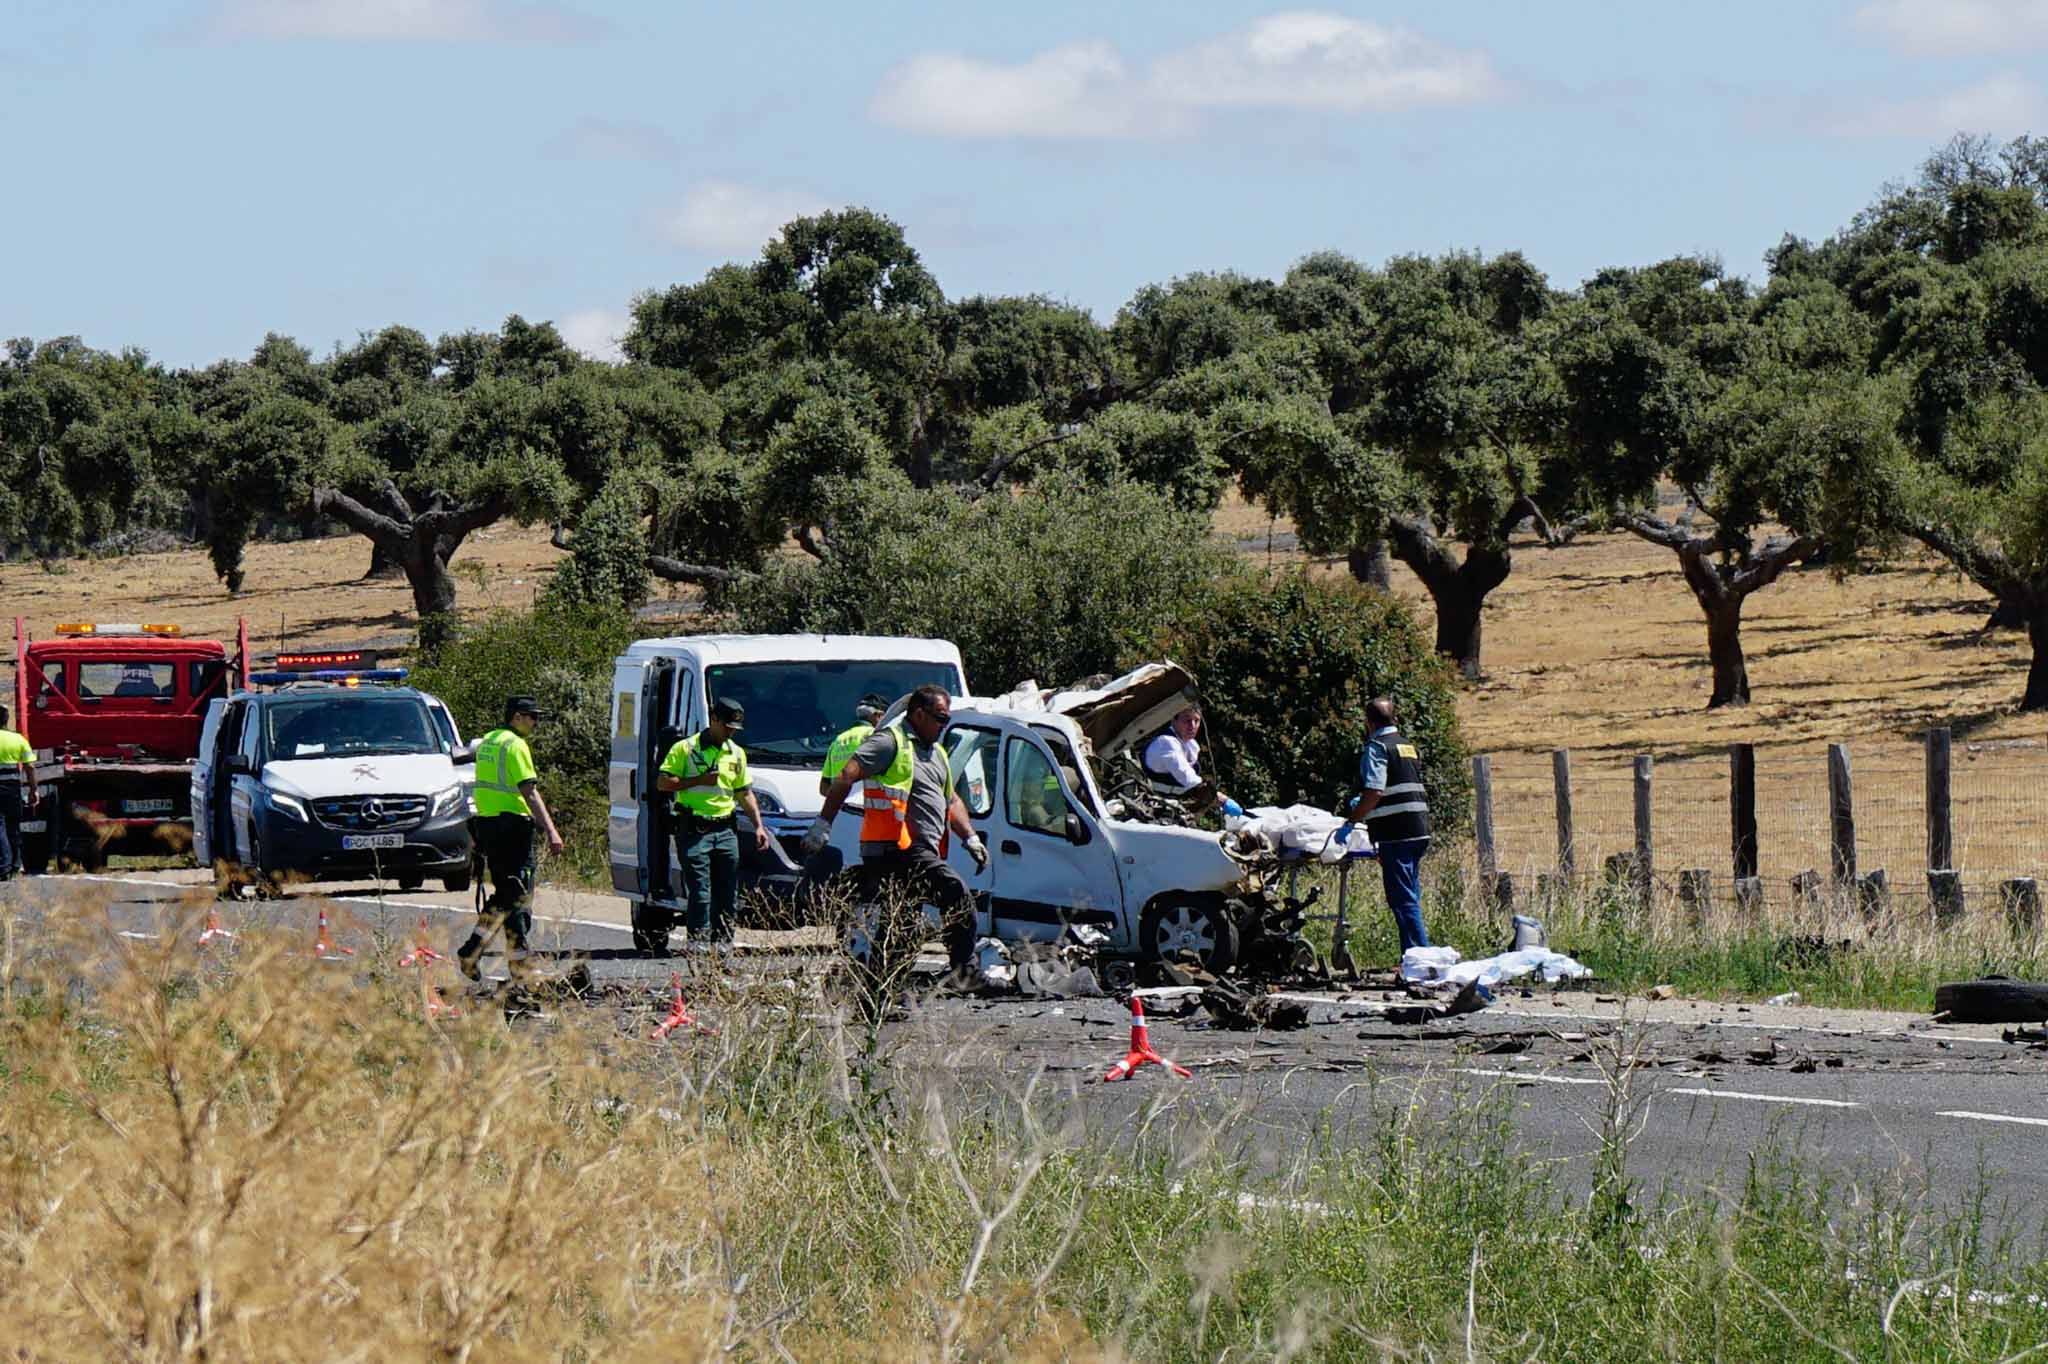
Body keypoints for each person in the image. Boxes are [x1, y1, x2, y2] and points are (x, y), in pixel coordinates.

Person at [801, 684, 987, 984]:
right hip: (894, 846)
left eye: (946, 720)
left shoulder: (937, 752)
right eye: (940, 718)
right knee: (954, 890)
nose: (944, 726)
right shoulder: (890, 742)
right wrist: (823, 824)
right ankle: (964, 970)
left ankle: (878, 994)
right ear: (918, 714)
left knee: (903, 924)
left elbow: (951, 799)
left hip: (919, 847)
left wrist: (970, 838)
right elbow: (847, 774)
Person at [458, 696, 564, 981]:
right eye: (532, 716)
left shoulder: (489, 740)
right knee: (518, 894)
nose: (535, 722)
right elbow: (529, 791)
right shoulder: (515, 745)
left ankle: (478, 951)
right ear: (516, 717)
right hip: (513, 828)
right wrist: (552, 830)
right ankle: (515, 962)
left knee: (506, 894)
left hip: (489, 826)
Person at [657, 697, 771, 952]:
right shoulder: (685, 748)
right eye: (727, 726)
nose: (730, 732)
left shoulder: (736, 753)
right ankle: (698, 946)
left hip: (725, 830)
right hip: (695, 829)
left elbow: (744, 793)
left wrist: (758, 826)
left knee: (728, 894)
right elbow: (663, 783)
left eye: (735, 729)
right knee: (701, 892)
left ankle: (722, 949)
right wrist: (698, 780)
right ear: (714, 720)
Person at [1346, 696, 1432, 953]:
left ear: (1368, 722)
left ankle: (1420, 957)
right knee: (1410, 895)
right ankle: (1413, 955)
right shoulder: (1407, 746)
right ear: (1395, 718)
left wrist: (1354, 818)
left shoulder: (1377, 747)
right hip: (1419, 829)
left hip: (1396, 832)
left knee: (1402, 898)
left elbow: (1374, 790)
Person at [1141, 705, 1242, 816]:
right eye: (1187, 720)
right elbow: (1189, 778)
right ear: (1174, 720)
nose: (1192, 726)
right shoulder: (1166, 743)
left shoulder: (1191, 745)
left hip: (1176, 804)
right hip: (1155, 804)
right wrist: (1223, 801)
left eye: (1196, 721)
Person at [819, 692, 888, 796]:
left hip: (842, 808)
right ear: (878, 715)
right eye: (885, 717)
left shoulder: (838, 740)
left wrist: (841, 796)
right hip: (866, 805)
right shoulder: (876, 736)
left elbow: (824, 788)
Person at [0, 706, 37, 879]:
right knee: (13, 826)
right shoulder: (19, 739)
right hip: (13, 788)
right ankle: (15, 864)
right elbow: (30, 766)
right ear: (7, 719)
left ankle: (4, 866)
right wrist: (33, 790)